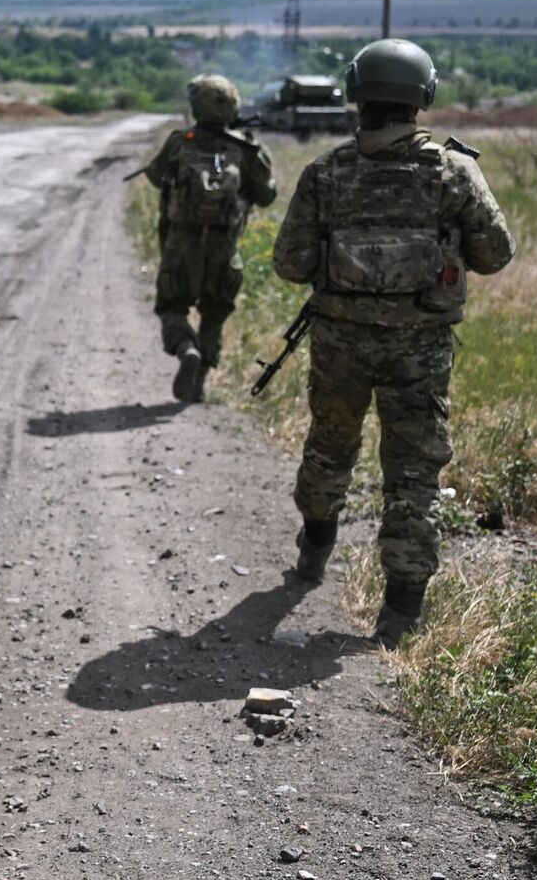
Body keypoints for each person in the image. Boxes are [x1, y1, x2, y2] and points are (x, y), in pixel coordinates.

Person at [272, 38, 515, 645]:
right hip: (421, 350)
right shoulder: (454, 172)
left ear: (356, 93)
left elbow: (290, 263)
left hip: (339, 345)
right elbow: (496, 254)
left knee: (330, 447)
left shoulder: (326, 174)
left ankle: (315, 550)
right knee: (412, 475)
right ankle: (401, 612)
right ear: (422, 97)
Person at [143, 73, 277, 402]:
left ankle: (186, 347)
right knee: (215, 312)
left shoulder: (180, 141)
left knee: (172, 305)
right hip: (224, 246)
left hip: (180, 242)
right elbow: (267, 197)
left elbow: (156, 177)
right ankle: (200, 376)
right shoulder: (246, 149)